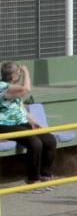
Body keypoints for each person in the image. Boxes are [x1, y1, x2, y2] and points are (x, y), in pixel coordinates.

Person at [0, 62, 57, 190]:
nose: (19, 75)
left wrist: (32, 120)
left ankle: (46, 176)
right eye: (18, 73)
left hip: (20, 122)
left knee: (49, 140)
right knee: (35, 143)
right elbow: (26, 89)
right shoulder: (2, 87)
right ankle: (33, 179)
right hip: (4, 125)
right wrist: (26, 72)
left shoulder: (12, 86)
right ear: (14, 76)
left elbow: (19, 107)